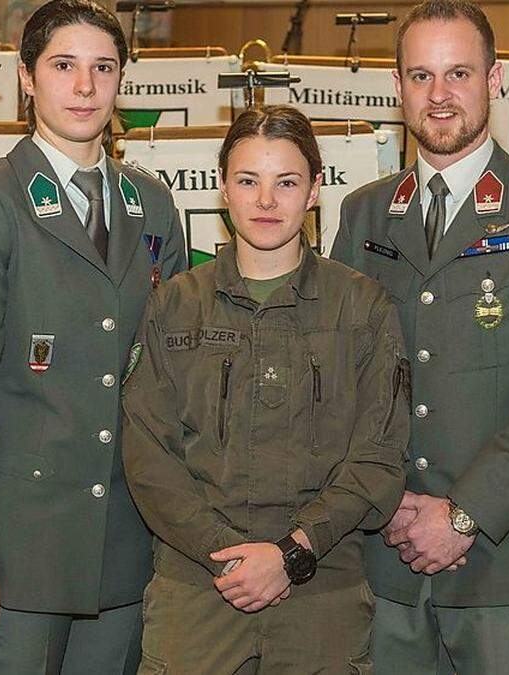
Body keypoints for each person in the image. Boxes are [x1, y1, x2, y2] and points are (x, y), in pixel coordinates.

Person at [330, 1, 509, 672]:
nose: (440, 95)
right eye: (421, 76)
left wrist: (461, 515)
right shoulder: (365, 212)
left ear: (495, 78)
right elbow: (339, 377)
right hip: (387, 554)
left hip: (506, 562)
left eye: (458, 73)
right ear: (398, 87)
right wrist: (389, 500)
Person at [0, 1, 186, 673]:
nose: (85, 86)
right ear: (26, 78)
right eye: (63, 66)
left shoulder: (152, 204)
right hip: (19, 555)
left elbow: (169, 379)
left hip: (125, 547)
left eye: (103, 67)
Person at [121, 104, 409, 674]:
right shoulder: (175, 305)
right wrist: (228, 559)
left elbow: (378, 458)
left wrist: (291, 554)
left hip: (321, 594)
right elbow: (147, 456)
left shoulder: (362, 305)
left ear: (315, 191)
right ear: (223, 188)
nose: (266, 200)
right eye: (248, 181)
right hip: (197, 590)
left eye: (287, 182)